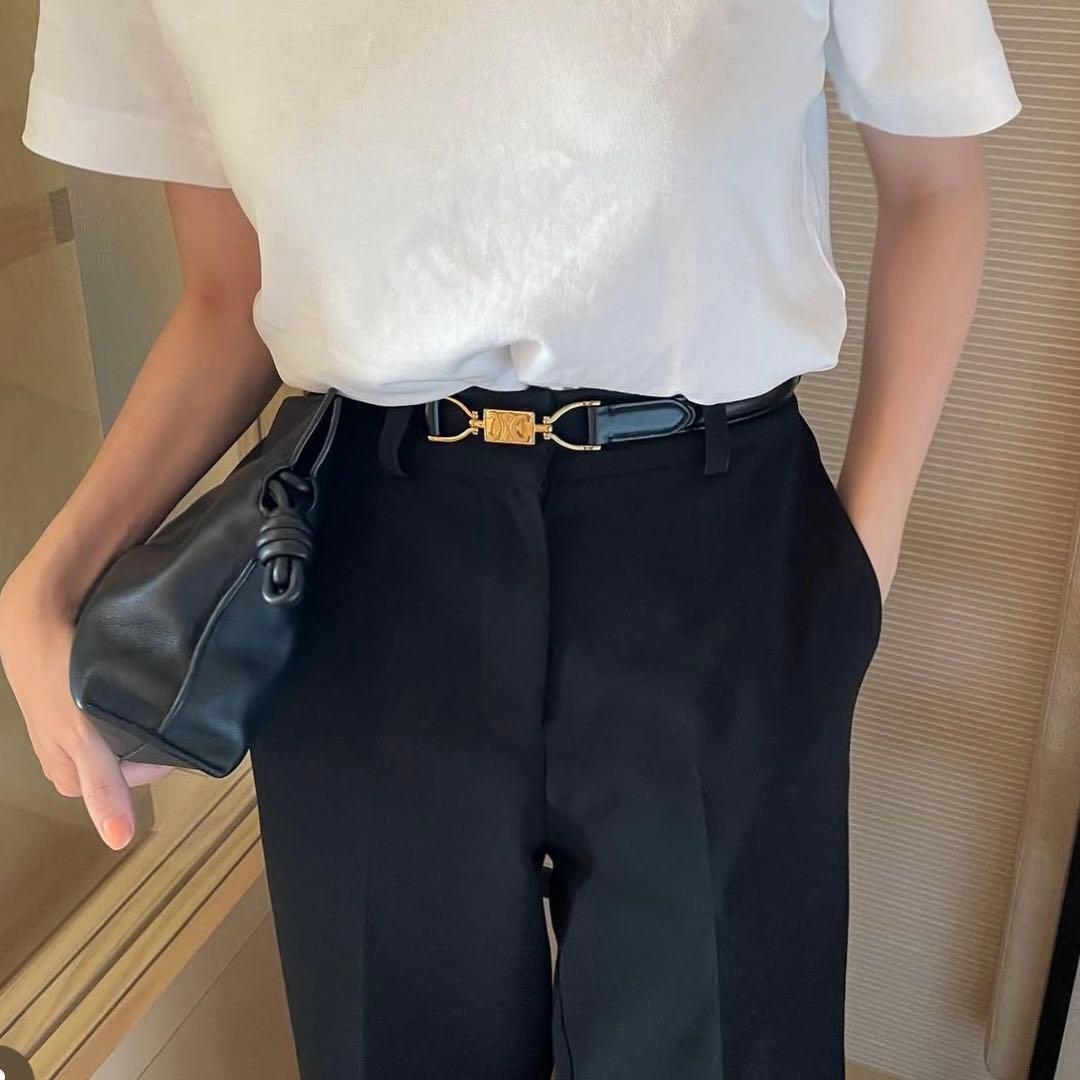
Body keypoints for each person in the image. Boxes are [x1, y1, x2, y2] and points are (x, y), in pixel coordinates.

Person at [0, 1, 1021, 1077]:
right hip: (367, 556)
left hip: (713, 540)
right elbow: (227, 292)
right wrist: (49, 579)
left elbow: (935, 183)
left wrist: (862, 560)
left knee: (723, 1045)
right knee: (390, 1045)